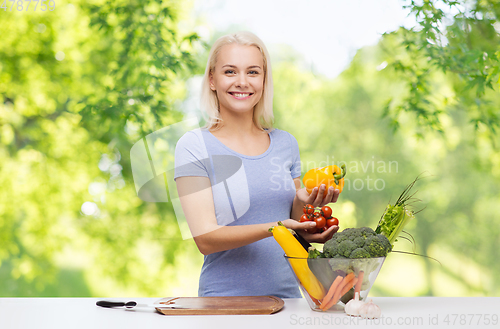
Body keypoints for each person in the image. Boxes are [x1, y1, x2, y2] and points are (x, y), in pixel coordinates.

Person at [174, 31, 340, 298]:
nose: (242, 82)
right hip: (225, 304)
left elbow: (293, 230)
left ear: (264, 80)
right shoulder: (194, 146)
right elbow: (205, 239)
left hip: (289, 299)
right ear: (212, 80)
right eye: (230, 71)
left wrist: (304, 203)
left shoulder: (286, 143)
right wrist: (274, 227)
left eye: (253, 72)